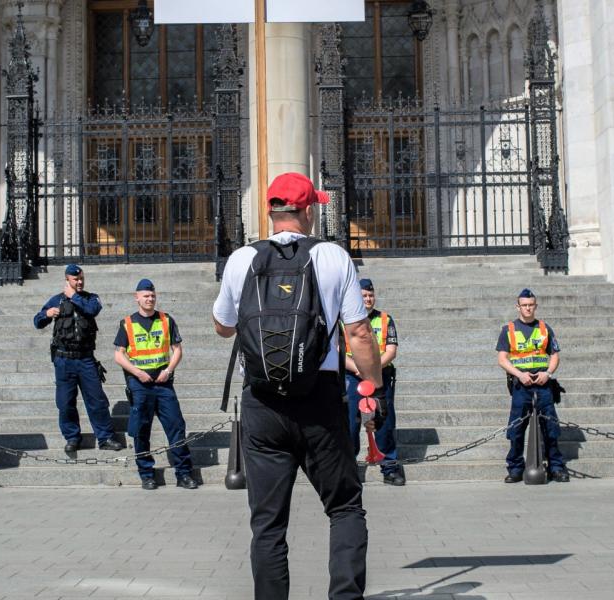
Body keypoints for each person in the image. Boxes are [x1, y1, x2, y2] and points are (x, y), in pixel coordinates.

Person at [213, 172, 383, 600]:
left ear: (271, 212)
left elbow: (222, 326)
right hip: (319, 398)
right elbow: (359, 333)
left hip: (262, 401)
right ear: (308, 210)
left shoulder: (241, 259)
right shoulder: (332, 256)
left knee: (268, 523)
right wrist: (373, 382)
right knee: (344, 506)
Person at [112, 279, 199, 490]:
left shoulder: (166, 320)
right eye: (145, 296)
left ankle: (184, 473)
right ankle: (147, 474)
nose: (149, 299)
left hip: (163, 383)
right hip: (140, 384)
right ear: (137, 298)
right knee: (142, 430)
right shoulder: (127, 323)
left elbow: (177, 349)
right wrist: (137, 372)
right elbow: (119, 355)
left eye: (152, 296)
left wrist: (168, 370)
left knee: (176, 427)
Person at [34, 264, 124, 453]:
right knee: (65, 402)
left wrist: (73, 296)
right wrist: (46, 314)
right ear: (67, 280)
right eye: (76, 279)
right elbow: (37, 321)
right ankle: (72, 438)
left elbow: (92, 310)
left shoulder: (91, 298)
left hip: (86, 359)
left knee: (97, 400)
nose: (80, 281)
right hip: (63, 360)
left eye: (82, 278)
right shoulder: (56, 300)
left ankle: (105, 437)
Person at [496, 288, 568, 483]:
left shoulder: (545, 328)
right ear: (517, 307)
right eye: (524, 305)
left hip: (543, 384)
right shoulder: (508, 329)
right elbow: (502, 359)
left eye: (531, 305)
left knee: (550, 427)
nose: (528, 308)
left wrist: (548, 373)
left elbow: (554, 355)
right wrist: (519, 374)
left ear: (535, 306)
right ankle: (515, 468)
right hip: (522, 385)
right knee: (516, 429)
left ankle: (556, 467)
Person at [344, 278, 404, 486]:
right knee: (350, 422)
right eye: (364, 296)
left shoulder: (386, 319)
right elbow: (338, 350)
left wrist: (372, 370)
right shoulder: (343, 320)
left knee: (384, 421)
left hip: (381, 376)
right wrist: (359, 369)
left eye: (371, 295)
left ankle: (390, 465)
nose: (368, 299)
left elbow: (391, 351)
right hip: (353, 376)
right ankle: (349, 466)